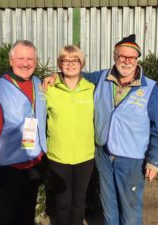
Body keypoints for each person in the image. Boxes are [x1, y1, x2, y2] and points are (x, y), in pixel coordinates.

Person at [44, 34, 158, 225]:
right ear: (114, 56)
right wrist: (54, 76)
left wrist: (154, 160)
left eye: (131, 58)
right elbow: (74, 73)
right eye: (122, 56)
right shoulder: (101, 77)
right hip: (103, 155)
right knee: (109, 207)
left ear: (137, 59)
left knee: (130, 208)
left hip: (131, 158)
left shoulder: (150, 88)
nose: (126, 62)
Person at [0, 40, 47, 225]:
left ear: (36, 62)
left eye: (30, 59)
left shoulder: (40, 84)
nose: (25, 63)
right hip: (8, 169)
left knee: (26, 217)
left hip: (34, 164)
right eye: (20, 58)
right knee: (4, 218)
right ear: (11, 60)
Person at [45, 45, 95, 225]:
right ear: (59, 64)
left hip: (85, 156)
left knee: (79, 202)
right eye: (65, 60)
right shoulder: (49, 88)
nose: (70, 64)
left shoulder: (91, 89)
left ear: (82, 63)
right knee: (63, 201)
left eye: (75, 60)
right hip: (58, 156)